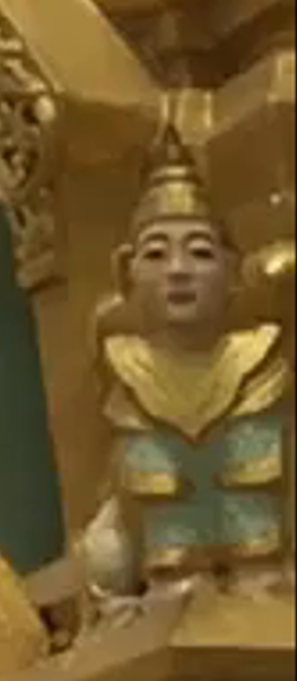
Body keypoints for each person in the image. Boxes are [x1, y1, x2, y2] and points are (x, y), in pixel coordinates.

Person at [71, 134, 289, 606]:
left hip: (265, 567)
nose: (178, 269)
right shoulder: (125, 367)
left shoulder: (259, 357)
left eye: (200, 253)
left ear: (232, 272)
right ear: (126, 273)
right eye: (156, 254)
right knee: (122, 554)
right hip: (165, 573)